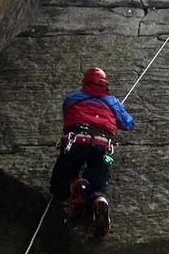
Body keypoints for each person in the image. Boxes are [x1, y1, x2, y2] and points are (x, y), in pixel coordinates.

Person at [49, 67, 135, 238]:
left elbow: (67, 116)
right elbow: (129, 124)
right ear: (106, 85)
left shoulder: (73, 98)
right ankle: (98, 199)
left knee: (60, 183)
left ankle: (75, 186)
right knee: (99, 177)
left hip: (75, 141)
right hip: (102, 146)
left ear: (85, 82)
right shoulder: (112, 102)